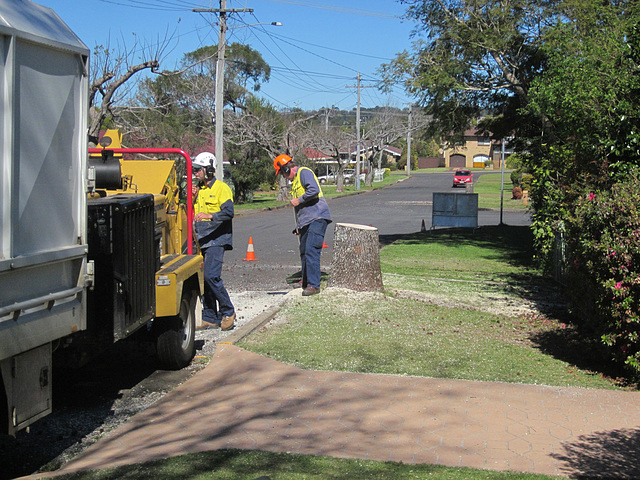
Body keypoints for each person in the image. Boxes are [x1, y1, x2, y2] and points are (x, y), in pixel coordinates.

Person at [274, 154, 332, 296]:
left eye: (282, 172)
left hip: (317, 217)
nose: (283, 176)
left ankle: (313, 286)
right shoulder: (294, 182)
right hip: (306, 221)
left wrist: (299, 200)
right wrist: (299, 227)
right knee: (304, 251)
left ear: (286, 168)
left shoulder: (304, 172)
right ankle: (306, 283)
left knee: (311, 249)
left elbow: (314, 190)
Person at [191, 152, 236, 330]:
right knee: (203, 279)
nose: (195, 172)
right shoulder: (198, 189)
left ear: (209, 170)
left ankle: (228, 311)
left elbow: (229, 212)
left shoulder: (222, 188)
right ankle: (210, 316)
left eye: (198, 169)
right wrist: (191, 198)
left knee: (211, 276)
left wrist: (210, 215)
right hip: (201, 239)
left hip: (217, 239)